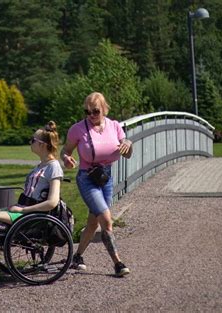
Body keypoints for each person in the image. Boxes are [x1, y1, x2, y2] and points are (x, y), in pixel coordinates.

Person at [60, 92, 133, 277]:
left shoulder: (115, 126)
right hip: (87, 178)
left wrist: (127, 142)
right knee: (106, 221)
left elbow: (127, 153)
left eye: (95, 111)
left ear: (104, 109)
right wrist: (66, 158)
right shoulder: (77, 129)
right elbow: (65, 151)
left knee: (93, 223)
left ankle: (76, 257)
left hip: (106, 177)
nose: (91, 115)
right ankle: (118, 263)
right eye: (87, 111)